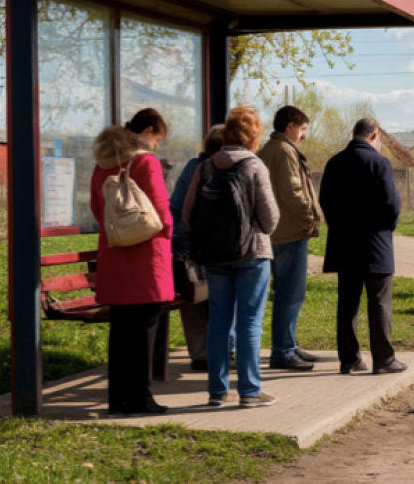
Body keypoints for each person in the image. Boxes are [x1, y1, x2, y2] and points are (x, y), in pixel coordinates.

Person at [184, 106, 280, 407]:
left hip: (215, 258)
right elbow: (270, 219)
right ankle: (250, 392)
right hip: (252, 254)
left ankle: (217, 390)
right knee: (249, 323)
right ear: (253, 136)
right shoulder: (254, 166)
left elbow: (188, 215)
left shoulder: (206, 167)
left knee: (219, 322)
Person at [90, 108, 173, 415]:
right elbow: (161, 213)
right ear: (148, 131)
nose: (157, 146)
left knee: (121, 329)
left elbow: (97, 208)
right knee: (145, 326)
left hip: (115, 255)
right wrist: (167, 234)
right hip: (146, 257)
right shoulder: (145, 162)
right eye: (157, 138)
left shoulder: (102, 164)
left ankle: (118, 400)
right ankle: (141, 399)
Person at [319, 118, 407, 375]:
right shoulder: (380, 162)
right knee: (379, 302)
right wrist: (386, 227)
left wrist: (338, 226)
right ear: (374, 135)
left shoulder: (334, 162)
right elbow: (391, 203)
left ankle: (350, 360)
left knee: (347, 303)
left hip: (343, 242)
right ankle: (383, 359)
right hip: (375, 242)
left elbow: (325, 200)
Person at [258, 106, 323, 371]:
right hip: (290, 231)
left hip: (276, 232)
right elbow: (292, 191)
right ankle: (283, 351)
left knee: (285, 293)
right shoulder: (284, 151)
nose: (304, 135)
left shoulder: (269, 149)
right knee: (290, 293)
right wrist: (310, 217)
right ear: (290, 126)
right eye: (303, 128)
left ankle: (289, 343)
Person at [169, 124, 224, 371]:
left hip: (184, 245)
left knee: (194, 299)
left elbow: (176, 207)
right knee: (210, 299)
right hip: (203, 247)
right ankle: (213, 352)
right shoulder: (212, 169)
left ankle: (200, 353)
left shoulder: (193, 165)